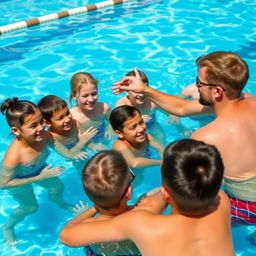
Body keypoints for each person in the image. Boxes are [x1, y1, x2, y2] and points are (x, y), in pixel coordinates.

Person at [112, 51, 256, 237]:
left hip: (248, 207)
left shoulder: (207, 136)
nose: (196, 86)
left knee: (196, 224)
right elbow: (182, 107)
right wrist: (144, 89)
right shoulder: (249, 99)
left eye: (199, 83)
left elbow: (188, 191)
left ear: (217, 91)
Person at [60, 138, 234, 256]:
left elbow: (67, 236)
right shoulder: (221, 201)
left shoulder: (140, 222)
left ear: (166, 193)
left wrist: (95, 207)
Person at [60, 150, 166, 255]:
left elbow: (64, 235)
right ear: (128, 193)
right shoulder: (145, 211)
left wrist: (95, 208)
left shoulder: (89, 225)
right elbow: (168, 191)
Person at [0, 98, 74, 246]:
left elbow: (65, 153)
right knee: (31, 207)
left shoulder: (45, 136)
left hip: (39, 171)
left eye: (41, 121)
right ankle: (8, 226)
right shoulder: (14, 156)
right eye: (33, 126)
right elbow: (3, 184)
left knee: (58, 187)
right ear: (16, 130)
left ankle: (59, 203)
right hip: (18, 181)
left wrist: (81, 144)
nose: (41, 128)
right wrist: (39, 177)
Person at [38, 95, 98, 161]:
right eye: (60, 118)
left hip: (79, 147)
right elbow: (67, 155)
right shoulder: (51, 137)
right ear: (47, 123)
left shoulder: (75, 124)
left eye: (67, 113)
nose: (67, 119)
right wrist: (82, 142)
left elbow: (88, 140)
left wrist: (93, 146)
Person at [115, 69, 165, 144]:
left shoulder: (152, 102)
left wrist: (180, 126)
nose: (141, 95)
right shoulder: (122, 105)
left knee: (160, 136)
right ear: (126, 90)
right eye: (136, 91)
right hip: (133, 129)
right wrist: (138, 121)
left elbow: (168, 111)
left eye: (143, 90)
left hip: (151, 123)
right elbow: (120, 125)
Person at [69, 72, 113, 151]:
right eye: (85, 96)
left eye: (94, 94)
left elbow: (113, 121)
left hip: (102, 136)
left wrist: (110, 129)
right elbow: (75, 139)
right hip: (83, 145)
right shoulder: (71, 117)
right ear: (74, 95)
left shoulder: (104, 108)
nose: (91, 99)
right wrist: (91, 145)